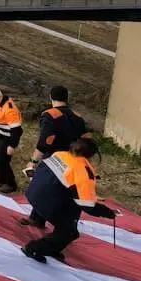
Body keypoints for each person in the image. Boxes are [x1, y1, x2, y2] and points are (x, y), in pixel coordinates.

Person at [22, 137, 116, 263]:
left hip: (33, 193)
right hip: (49, 203)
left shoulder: (59, 154)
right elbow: (87, 206)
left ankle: (44, 232)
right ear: (91, 155)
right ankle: (34, 248)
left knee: (63, 198)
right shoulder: (84, 172)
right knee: (70, 232)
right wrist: (108, 212)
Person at [21, 85, 91, 227]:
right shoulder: (78, 117)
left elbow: (45, 141)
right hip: (74, 161)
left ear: (51, 97)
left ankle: (37, 218)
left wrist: (33, 161)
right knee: (65, 192)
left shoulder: (50, 115)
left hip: (53, 160)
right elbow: (86, 141)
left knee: (44, 187)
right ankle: (61, 225)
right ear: (66, 98)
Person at [0, 87, 23, 193]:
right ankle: (0, 180)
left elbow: (17, 130)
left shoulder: (10, 109)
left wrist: (12, 145)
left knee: (3, 161)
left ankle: (11, 184)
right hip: (0, 136)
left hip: (8, 138)